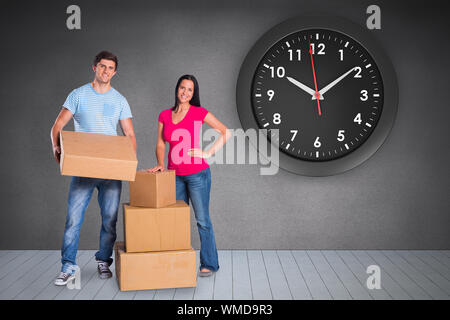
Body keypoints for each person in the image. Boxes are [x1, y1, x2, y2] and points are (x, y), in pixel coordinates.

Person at [50, 51, 137, 285]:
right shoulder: (78, 95)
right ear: (94, 68)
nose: (105, 71)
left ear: (115, 72)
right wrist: (56, 148)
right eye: (102, 66)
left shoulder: (119, 99)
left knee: (109, 219)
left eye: (110, 68)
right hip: (84, 169)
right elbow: (58, 125)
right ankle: (68, 265)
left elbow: (129, 134)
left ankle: (103, 260)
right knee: (73, 219)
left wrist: (129, 163)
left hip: (111, 171)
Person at [148, 75, 230, 277]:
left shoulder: (198, 112)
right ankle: (179, 263)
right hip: (174, 175)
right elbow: (160, 143)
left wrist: (208, 153)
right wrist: (160, 163)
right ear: (177, 89)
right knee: (177, 221)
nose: (185, 92)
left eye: (190, 90)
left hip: (197, 175)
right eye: (182, 88)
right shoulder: (164, 115)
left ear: (194, 93)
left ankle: (209, 264)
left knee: (202, 220)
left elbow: (225, 131)